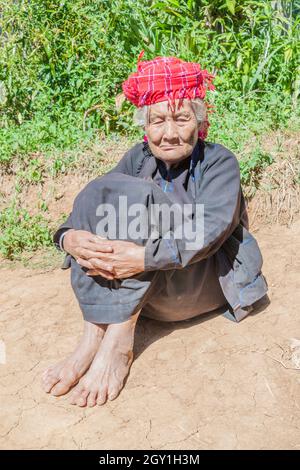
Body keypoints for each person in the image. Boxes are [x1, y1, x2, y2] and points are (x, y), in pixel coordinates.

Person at [42, 54, 268, 408]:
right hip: (153, 293)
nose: (169, 133)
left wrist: (142, 256)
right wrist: (67, 238)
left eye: (181, 118)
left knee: (138, 201)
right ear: (144, 126)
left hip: (198, 284)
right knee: (103, 191)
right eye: (158, 120)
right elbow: (97, 206)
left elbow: (210, 231)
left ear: (200, 121)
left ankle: (117, 343)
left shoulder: (219, 162)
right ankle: (92, 338)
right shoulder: (138, 158)